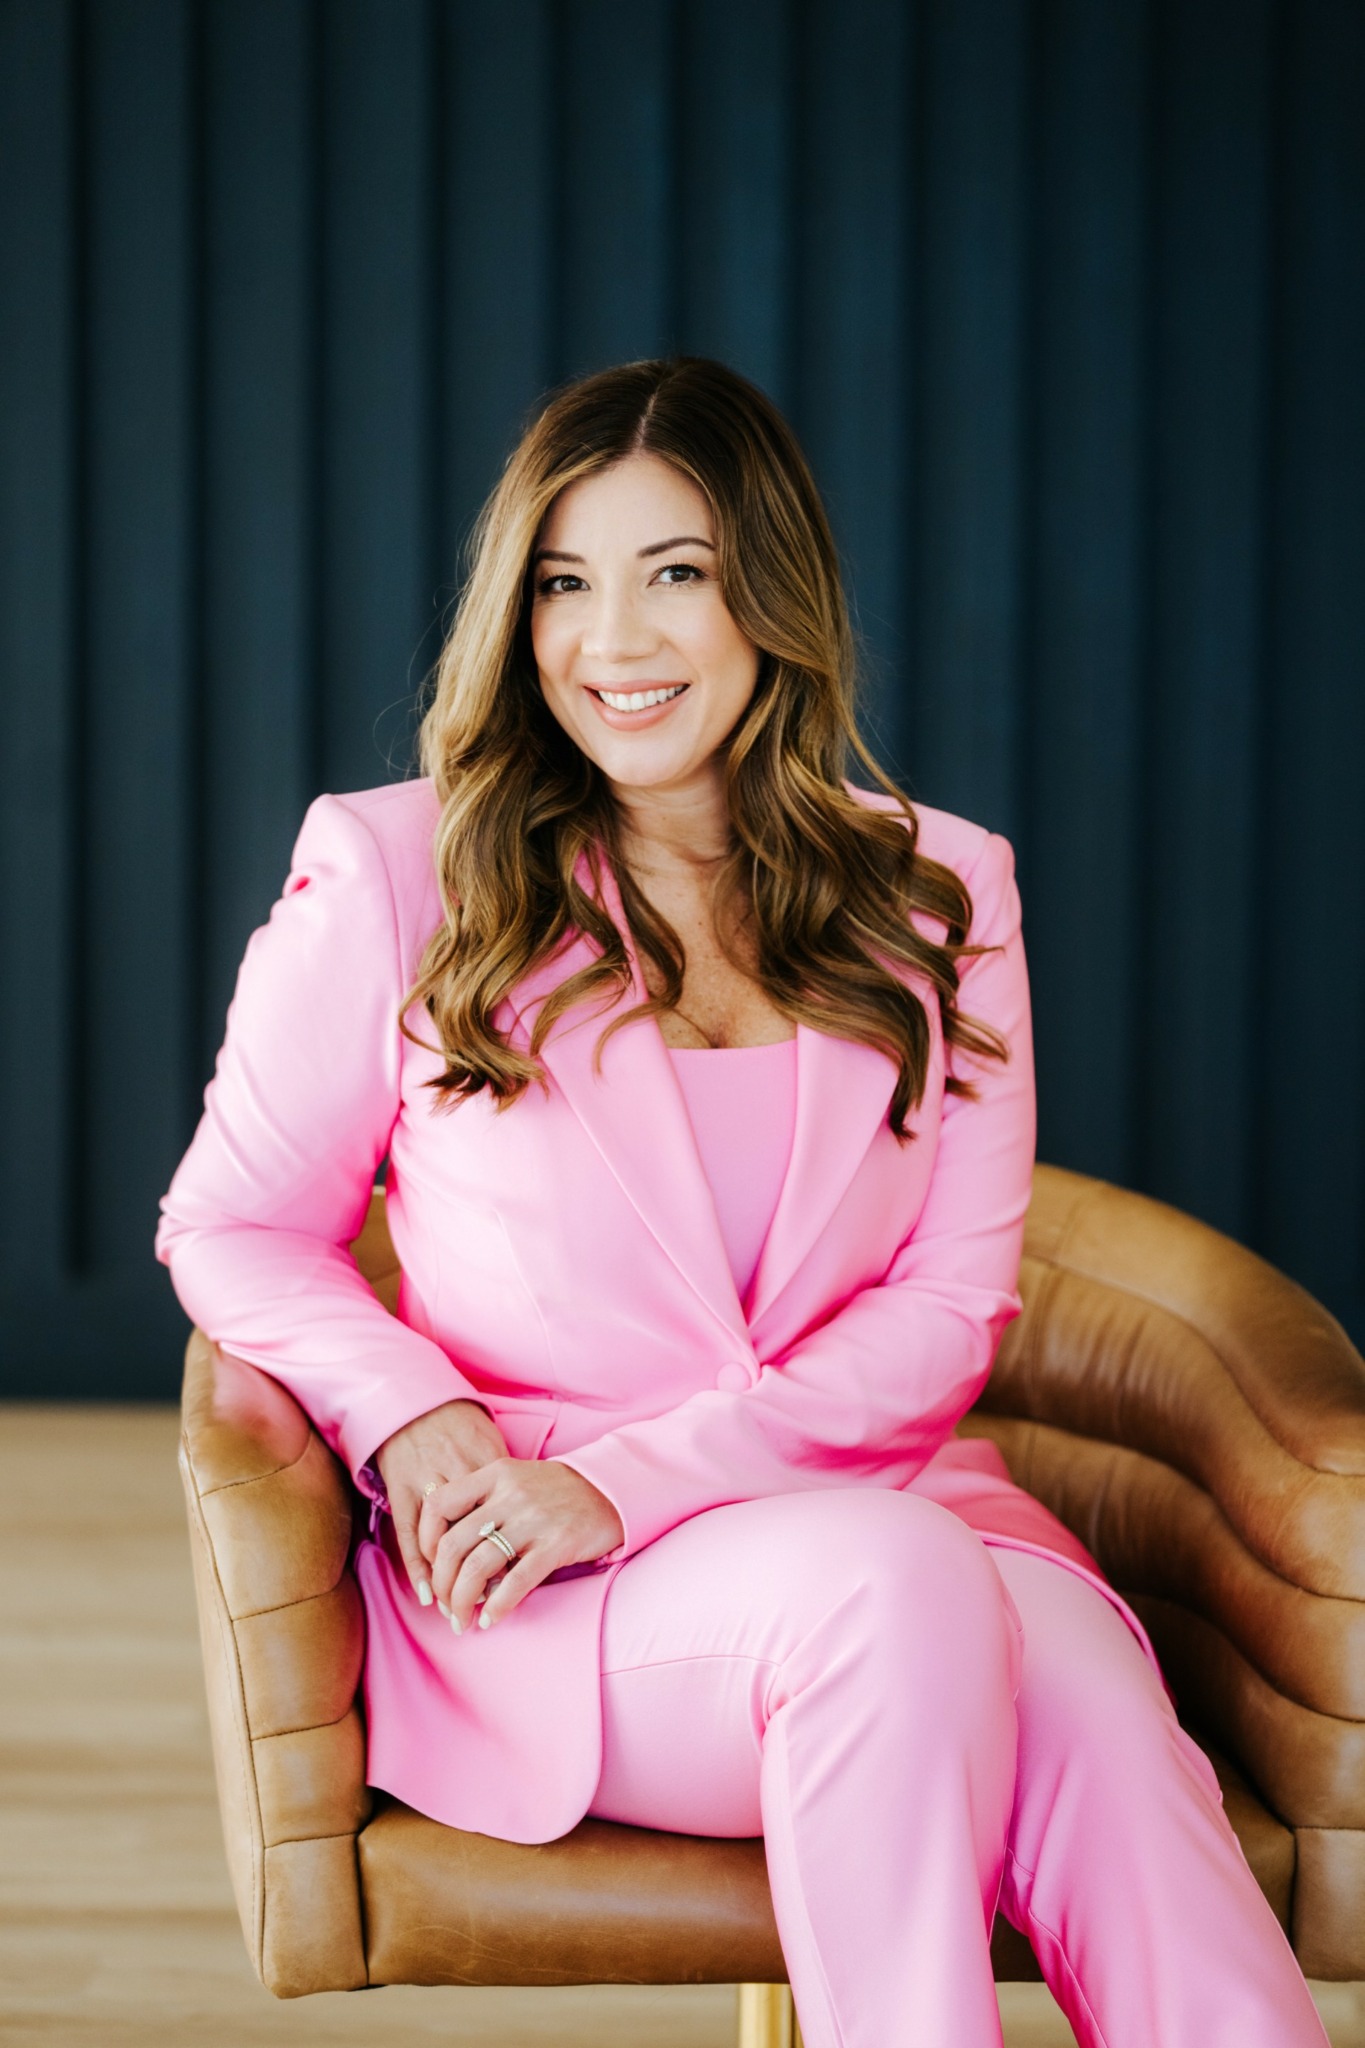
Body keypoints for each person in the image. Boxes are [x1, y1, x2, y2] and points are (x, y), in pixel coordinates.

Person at [154, 356, 1327, 2047]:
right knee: (893, 1587)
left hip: (887, 1502)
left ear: (771, 594)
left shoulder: (940, 891)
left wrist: (633, 1484)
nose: (611, 640)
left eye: (675, 574)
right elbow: (233, 1225)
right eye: (563, 584)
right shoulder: (396, 871)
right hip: (554, 1584)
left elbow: (948, 1310)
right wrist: (411, 1418)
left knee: (1116, 1761)